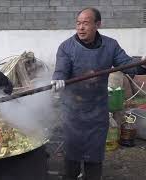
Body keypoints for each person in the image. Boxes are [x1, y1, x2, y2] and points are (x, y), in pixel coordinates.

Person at [51, 7, 146, 180]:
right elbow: (61, 70)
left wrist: (142, 63)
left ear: (98, 24)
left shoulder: (110, 45)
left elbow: (127, 65)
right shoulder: (66, 47)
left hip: (97, 110)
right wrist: (58, 79)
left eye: (85, 23)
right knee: (72, 156)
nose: (80, 28)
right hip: (73, 111)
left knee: (94, 157)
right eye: (78, 23)